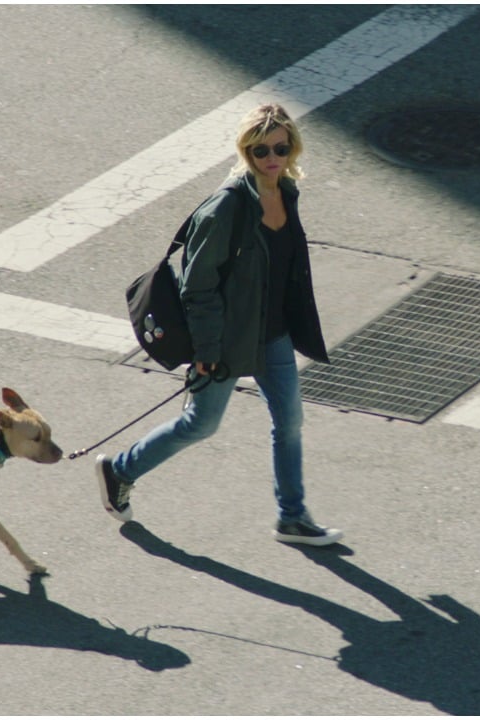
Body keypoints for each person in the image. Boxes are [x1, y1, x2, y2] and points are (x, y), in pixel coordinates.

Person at [97, 103, 342, 546]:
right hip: (227, 339)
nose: (272, 157)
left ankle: (292, 517)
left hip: (274, 333)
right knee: (201, 424)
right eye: (260, 149)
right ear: (245, 152)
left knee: (289, 421)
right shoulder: (227, 207)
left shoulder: (285, 191)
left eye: (281, 148)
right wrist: (207, 352)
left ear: (292, 148)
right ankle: (119, 470)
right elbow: (197, 287)